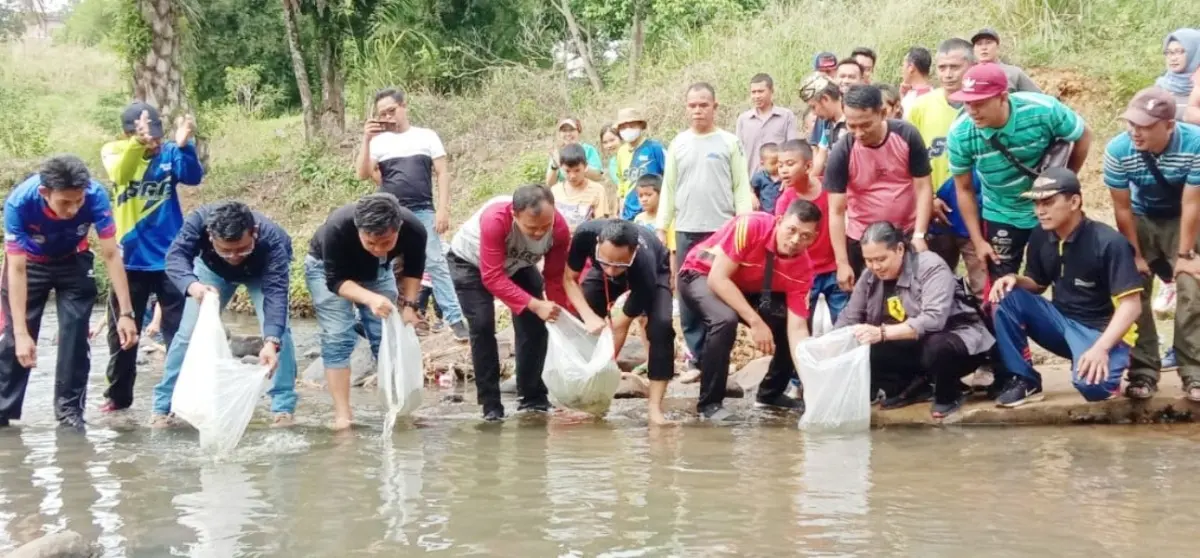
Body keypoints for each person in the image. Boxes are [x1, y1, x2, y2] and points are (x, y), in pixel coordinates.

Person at [0, 155, 139, 429]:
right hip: (29, 264)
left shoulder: (96, 196)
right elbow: (15, 269)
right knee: (14, 341)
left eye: (78, 201)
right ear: (45, 193)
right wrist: (20, 331)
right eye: (65, 202)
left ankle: (70, 413)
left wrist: (126, 312)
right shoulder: (19, 202)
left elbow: (111, 254)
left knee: (75, 336)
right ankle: (3, 411)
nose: (74, 209)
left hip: (73, 262)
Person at [989, 168, 1142, 407]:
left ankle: (1116, 367)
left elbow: (1131, 306)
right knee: (1005, 297)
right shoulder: (1041, 235)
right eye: (1037, 203)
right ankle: (1026, 380)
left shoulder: (1108, 241)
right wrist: (1014, 279)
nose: (1040, 211)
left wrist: (1101, 348)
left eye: (1048, 202)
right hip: (1061, 323)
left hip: (1101, 333)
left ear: (1074, 202)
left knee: (1092, 388)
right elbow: (1037, 284)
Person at [97, 101, 201, 413]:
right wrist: (136, 145)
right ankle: (118, 397)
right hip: (129, 259)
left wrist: (184, 146)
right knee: (122, 334)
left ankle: (180, 397)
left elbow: (193, 177)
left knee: (179, 331)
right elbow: (122, 173)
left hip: (171, 258)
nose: (154, 142)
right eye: (147, 137)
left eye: (157, 135)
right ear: (127, 133)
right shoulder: (115, 151)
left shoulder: (170, 152)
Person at [154, 201, 298, 427]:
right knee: (188, 334)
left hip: (261, 274)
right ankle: (163, 406)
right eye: (226, 250)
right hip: (211, 272)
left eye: (242, 249)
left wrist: (271, 341)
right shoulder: (198, 222)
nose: (234, 256)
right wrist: (193, 286)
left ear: (254, 232)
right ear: (210, 236)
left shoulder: (272, 240)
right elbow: (175, 258)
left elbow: (276, 295)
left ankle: (283, 407)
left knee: (280, 335)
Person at [947, 63, 1092, 281]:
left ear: (1003, 97)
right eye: (967, 103)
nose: (972, 111)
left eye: (979, 103)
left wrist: (1063, 182)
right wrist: (978, 242)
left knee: (1067, 276)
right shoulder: (960, 133)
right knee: (1000, 286)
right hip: (1000, 209)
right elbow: (964, 189)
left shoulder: (1043, 110)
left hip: (1049, 206)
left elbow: (1083, 135)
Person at [835, 221, 994, 418]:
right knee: (863, 346)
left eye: (881, 259)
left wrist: (882, 333)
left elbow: (934, 319)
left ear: (900, 249)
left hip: (956, 339)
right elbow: (849, 318)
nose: (875, 266)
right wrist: (829, 347)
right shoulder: (869, 276)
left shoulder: (930, 266)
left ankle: (949, 393)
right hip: (906, 341)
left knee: (937, 348)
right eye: (868, 260)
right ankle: (913, 387)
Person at [678, 203, 818, 420]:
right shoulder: (751, 225)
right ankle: (710, 404)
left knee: (790, 323)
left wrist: (812, 389)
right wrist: (756, 322)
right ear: (779, 221)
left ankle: (770, 395)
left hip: (751, 288)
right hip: (701, 274)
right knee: (725, 319)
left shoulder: (804, 269)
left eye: (805, 236)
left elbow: (797, 330)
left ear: (814, 238)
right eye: (792, 230)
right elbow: (718, 278)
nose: (795, 240)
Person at [1104, 87, 1200, 400]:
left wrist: (1185, 255)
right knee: (1134, 287)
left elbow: (1192, 204)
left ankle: (1193, 372)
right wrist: (1135, 254)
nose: (1135, 132)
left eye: (1145, 126)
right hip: (1141, 216)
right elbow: (1122, 208)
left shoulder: (1195, 144)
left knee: (1192, 287)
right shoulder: (1118, 149)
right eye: (1132, 124)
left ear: (1169, 125)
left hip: (1184, 217)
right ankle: (1143, 372)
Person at [657, 82, 754, 379]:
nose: (698, 110)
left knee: (720, 291)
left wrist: (744, 223)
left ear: (715, 107)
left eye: (703, 104)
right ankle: (695, 357)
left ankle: (718, 355)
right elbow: (669, 188)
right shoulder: (679, 143)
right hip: (687, 229)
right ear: (686, 108)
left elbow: (740, 186)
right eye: (692, 105)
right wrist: (662, 227)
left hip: (722, 231)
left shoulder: (729, 142)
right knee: (687, 295)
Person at [448, 185, 570, 421]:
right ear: (515, 216)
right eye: (532, 228)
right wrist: (535, 304)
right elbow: (492, 277)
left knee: (535, 324)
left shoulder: (560, 229)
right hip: (470, 263)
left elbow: (555, 278)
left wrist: (559, 313)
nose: (539, 233)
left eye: (545, 226)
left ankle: (533, 398)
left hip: (517, 264)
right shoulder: (495, 220)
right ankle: (490, 405)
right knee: (482, 325)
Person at [356, 88, 468, 342]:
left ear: (404, 107)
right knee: (382, 262)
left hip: (423, 209)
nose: (388, 116)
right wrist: (365, 139)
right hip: (388, 212)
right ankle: (372, 317)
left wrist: (443, 208)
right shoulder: (378, 141)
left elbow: (442, 173)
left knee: (435, 261)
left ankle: (454, 318)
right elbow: (363, 174)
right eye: (382, 113)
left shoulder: (426, 136)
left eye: (391, 111)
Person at [306, 193, 425, 429]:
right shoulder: (336, 227)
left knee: (389, 337)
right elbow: (335, 281)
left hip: (377, 271)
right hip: (326, 271)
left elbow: (414, 269)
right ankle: (343, 414)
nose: (379, 249)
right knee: (337, 337)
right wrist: (370, 299)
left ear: (398, 228)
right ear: (358, 229)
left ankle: (399, 406)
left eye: (387, 243)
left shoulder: (414, 229)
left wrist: (410, 306)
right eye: (370, 242)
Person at [563, 219, 675, 425]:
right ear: (597, 243)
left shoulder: (645, 262)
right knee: (582, 325)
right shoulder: (585, 234)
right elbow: (569, 279)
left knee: (661, 328)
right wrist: (588, 316)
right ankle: (582, 398)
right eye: (606, 262)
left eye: (618, 265)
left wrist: (605, 361)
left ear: (633, 252)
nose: (611, 271)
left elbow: (620, 325)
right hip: (610, 266)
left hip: (655, 275)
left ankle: (654, 408)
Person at [824, 84, 934, 293]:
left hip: (906, 234)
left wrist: (919, 235)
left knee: (914, 295)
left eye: (865, 125)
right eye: (851, 126)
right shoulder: (843, 150)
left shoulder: (906, 135)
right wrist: (842, 262)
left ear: (883, 113)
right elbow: (836, 211)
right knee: (869, 301)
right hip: (863, 241)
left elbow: (923, 188)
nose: (858, 133)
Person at [907, 38, 986, 294]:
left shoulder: (983, 108)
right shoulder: (921, 108)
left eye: (955, 66)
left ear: (971, 66)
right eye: (942, 67)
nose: (948, 74)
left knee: (983, 283)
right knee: (934, 284)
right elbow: (906, 160)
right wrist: (927, 200)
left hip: (978, 208)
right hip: (936, 210)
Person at [775, 140, 846, 322]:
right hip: (804, 273)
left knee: (846, 321)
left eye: (790, 164)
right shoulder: (785, 202)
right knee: (802, 322)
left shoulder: (830, 189)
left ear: (808, 165)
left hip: (833, 268)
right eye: (780, 164)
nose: (783, 170)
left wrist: (843, 263)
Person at [736, 73, 799, 177]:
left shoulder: (786, 116)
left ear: (772, 91)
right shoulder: (743, 120)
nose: (756, 96)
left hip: (778, 182)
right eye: (753, 92)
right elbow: (739, 154)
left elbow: (792, 150)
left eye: (761, 91)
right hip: (751, 182)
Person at [614, 108, 667, 220]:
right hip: (629, 212)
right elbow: (621, 180)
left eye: (632, 126)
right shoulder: (621, 152)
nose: (628, 130)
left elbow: (669, 176)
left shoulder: (654, 148)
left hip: (653, 211)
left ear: (640, 126)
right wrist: (620, 201)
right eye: (623, 127)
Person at [550, 143, 610, 231]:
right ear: (561, 168)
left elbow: (601, 224)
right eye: (567, 171)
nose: (572, 176)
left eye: (577, 170)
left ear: (585, 167)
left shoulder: (597, 190)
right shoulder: (555, 191)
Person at [633, 174, 677, 284]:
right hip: (642, 270)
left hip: (662, 270)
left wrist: (673, 276)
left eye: (648, 195)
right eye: (640, 195)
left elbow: (673, 251)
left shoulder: (669, 221)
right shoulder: (638, 219)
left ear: (661, 195)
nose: (644, 199)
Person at [969, 28, 1043, 93]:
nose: (984, 47)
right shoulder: (968, 75)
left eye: (988, 42)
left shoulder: (1014, 73)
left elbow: (1039, 99)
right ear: (974, 49)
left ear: (998, 47)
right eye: (979, 44)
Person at [799, 73, 845, 178]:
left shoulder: (852, 120)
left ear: (825, 99)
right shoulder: (826, 122)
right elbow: (821, 155)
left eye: (813, 107)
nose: (814, 113)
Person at [1159, 29, 1200, 120]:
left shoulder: (1198, 86)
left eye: (1179, 52)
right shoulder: (1161, 87)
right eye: (1168, 52)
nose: (1173, 58)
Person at [807, 52, 841, 147]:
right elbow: (816, 145)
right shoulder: (820, 109)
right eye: (823, 72)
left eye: (830, 72)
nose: (827, 77)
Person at [900, 46, 934, 117]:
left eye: (903, 65)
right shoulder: (934, 94)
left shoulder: (912, 101)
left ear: (911, 68)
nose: (902, 69)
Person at [750, 143, 783, 213]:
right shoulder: (759, 177)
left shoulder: (784, 176)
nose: (777, 166)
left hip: (781, 213)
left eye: (779, 162)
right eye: (773, 163)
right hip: (764, 213)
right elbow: (751, 189)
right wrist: (753, 196)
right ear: (762, 163)